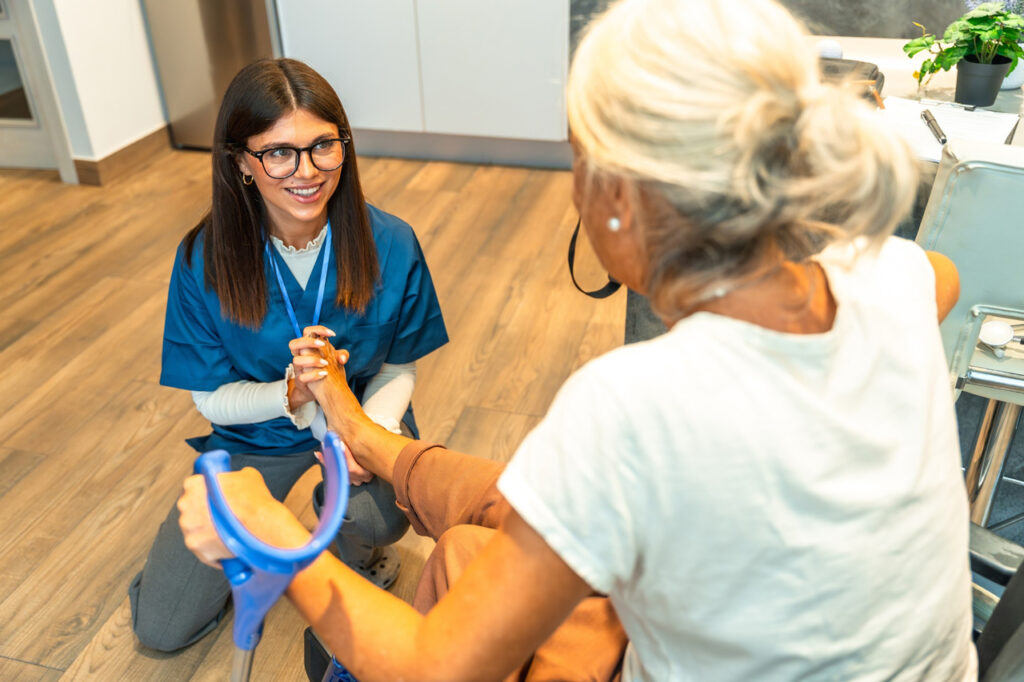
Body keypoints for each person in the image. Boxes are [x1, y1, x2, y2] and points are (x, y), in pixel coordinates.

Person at [177, 0, 975, 679]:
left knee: (460, 564)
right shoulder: (898, 280)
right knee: (464, 549)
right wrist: (353, 427)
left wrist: (274, 534)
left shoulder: (633, 405)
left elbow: (433, 667)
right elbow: (944, 276)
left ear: (619, 192)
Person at [130, 58, 448, 653]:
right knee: (162, 626)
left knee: (378, 517)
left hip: (358, 420)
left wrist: (365, 433)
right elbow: (211, 398)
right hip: (255, 435)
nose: (306, 172)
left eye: (322, 146)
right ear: (242, 164)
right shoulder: (203, 257)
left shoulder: (392, 241)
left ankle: (356, 554)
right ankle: (238, 559)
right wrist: (289, 396)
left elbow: (399, 365)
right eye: (278, 153)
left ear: (344, 147)